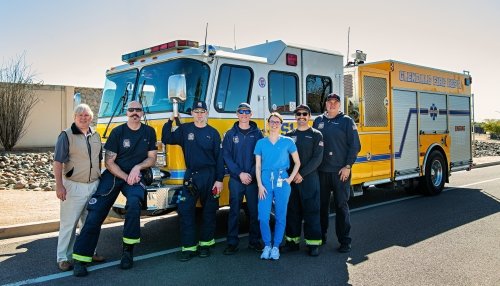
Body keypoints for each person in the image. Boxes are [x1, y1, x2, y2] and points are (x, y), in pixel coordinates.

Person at [72, 101, 157, 276]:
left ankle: (127, 252)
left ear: (142, 113)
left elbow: (152, 158)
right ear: (127, 113)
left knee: (134, 203)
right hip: (115, 175)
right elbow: (109, 162)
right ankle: (81, 258)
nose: (134, 112)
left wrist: (137, 168)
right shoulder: (118, 132)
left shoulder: (149, 132)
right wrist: (126, 176)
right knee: (95, 211)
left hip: (136, 176)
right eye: (131, 110)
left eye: (138, 110)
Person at [162, 100, 224, 262]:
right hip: (191, 177)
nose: (199, 114)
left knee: (209, 212)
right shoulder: (185, 129)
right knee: (185, 211)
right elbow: (167, 137)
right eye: (196, 111)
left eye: (202, 111)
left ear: (206, 114)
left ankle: (206, 245)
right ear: (192, 114)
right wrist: (170, 120)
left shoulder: (214, 133)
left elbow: (219, 159)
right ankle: (189, 247)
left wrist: (219, 180)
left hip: (210, 177)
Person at [53, 104, 105, 271]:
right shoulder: (66, 136)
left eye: (86, 115)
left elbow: (99, 160)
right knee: (69, 224)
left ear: (91, 117)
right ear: (75, 117)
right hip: (73, 186)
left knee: (90, 223)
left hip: (93, 186)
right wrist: (59, 185)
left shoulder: (96, 135)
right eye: (80, 115)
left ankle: (89, 252)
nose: (83, 118)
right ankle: (63, 258)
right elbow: (58, 162)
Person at [312, 93, 361, 253]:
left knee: (341, 206)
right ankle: (321, 237)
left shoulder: (346, 121)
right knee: (321, 207)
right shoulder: (318, 121)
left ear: (339, 105)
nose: (332, 105)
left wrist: (348, 166)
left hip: (340, 172)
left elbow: (355, 146)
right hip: (321, 172)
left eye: (335, 102)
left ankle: (345, 241)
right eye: (329, 102)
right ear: (325, 104)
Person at [254, 112, 300, 260]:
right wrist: (260, 185)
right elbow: (258, 166)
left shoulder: (287, 141)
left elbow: (297, 162)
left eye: (277, 122)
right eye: (272, 122)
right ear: (268, 124)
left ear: (281, 124)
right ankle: (267, 244)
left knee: (281, 215)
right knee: (263, 216)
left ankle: (276, 246)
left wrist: (290, 179)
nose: (274, 124)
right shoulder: (261, 143)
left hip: (282, 181)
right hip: (266, 181)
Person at [222, 103, 264, 255]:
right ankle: (232, 243)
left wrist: (251, 174)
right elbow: (226, 156)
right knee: (233, 212)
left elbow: (260, 156)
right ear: (237, 114)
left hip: (253, 180)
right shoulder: (230, 134)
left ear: (251, 114)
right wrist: (240, 174)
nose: (244, 114)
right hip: (236, 180)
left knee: (254, 212)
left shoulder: (257, 134)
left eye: (247, 112)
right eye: (241, 111)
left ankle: (254, 241)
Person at [283, 104, 324, 256]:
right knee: (292, 212)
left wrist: (301, 174)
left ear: (309, 116)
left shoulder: (316, 135)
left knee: (311, 211)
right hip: (292, 181)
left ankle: (313, 244)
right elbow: (284, 158)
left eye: (304, 114)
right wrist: (291, 176)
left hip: (309, 179)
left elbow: (317, 159)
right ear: (295, 116)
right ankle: (292, 242)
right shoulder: (288, 135)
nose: (301, 117)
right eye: (298, 114)